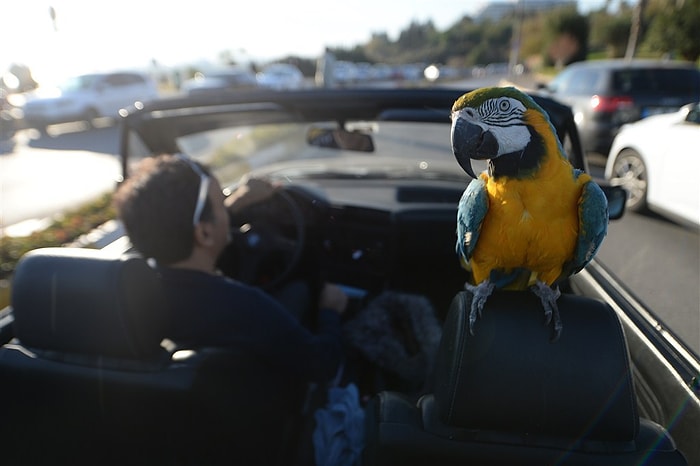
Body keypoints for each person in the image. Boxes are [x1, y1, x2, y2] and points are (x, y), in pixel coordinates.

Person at [113, 153, 348, 383]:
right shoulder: (246, 306)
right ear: (204, 232)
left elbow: (197, 227)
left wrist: (240, 200)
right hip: (276, 407)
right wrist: (330, 313)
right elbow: (322, 364)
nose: (227, 209)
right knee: (300, 290)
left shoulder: (133, 294)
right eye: (221, 204)